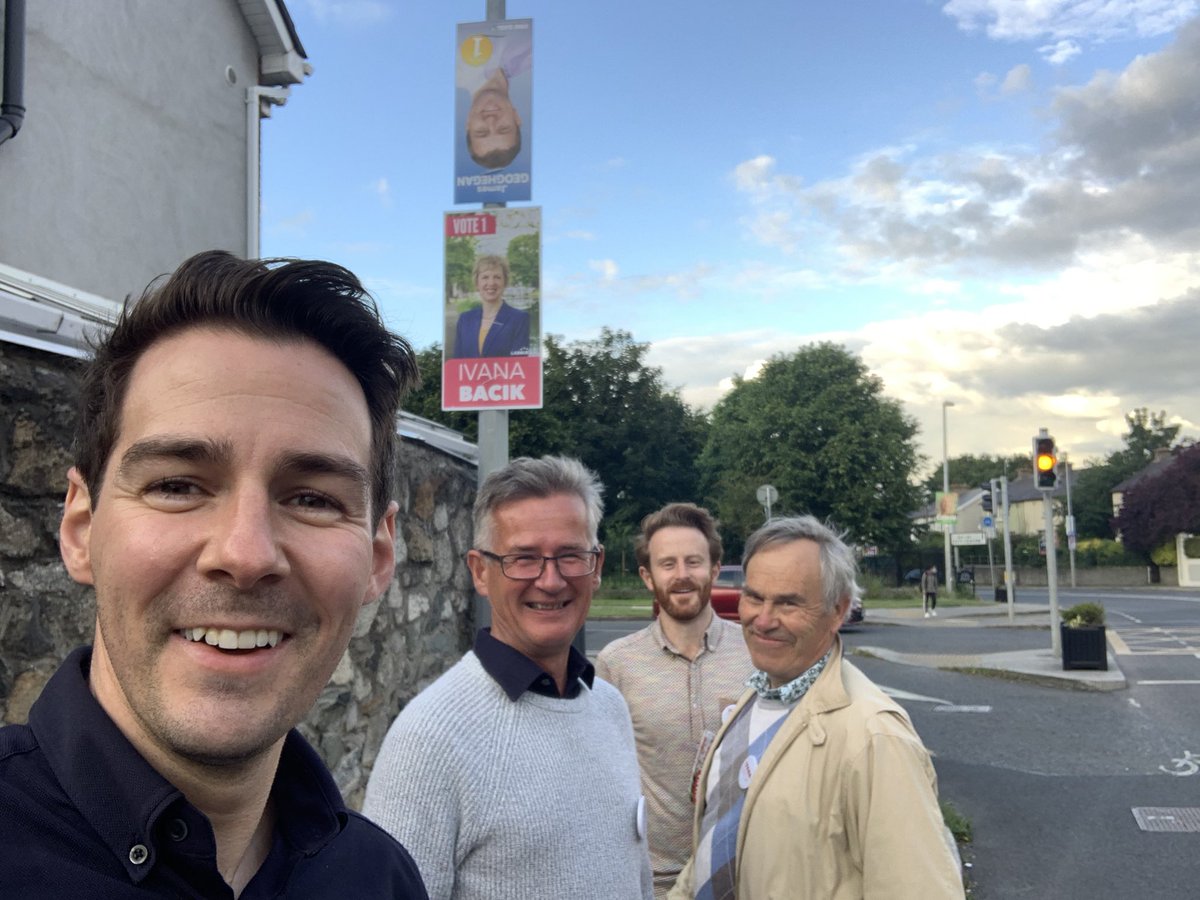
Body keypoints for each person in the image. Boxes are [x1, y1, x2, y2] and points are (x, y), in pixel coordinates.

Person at [0, 251, 428, 898]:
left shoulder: (381, 879)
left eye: (312, 498)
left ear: (376, 558)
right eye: (177, 485)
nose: (246, 553)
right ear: (81, 531)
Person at [364, 456, 653, 900]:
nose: (551, 580)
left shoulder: (609, 707)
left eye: (570, 556)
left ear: (596, 566)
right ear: (481, 571)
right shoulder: (429, 740)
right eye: (524, 558)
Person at [669, 516, 963, 899]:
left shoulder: (875, 738)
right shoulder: (755, 698)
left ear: (838, 611)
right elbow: (718, 840)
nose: (763, 619)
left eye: (788, 603)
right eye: (754, 597)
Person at [595, 503, 753, 899]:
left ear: (715, 570)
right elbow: (602, 778)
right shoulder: (616, 664)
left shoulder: (756, 654)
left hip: (745, 874)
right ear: (648, 576)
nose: (682, 575)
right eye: (667, 564)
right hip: (654, 883)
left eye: (693, 562)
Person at [460, 30, 530, 170]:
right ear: (516, 118)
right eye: (503, 128)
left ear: (468, 123)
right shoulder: (529, 57)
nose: (491, 120)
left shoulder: (457, 67)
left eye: (481, 131)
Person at [451, 255, 531, 359]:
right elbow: (458, 364)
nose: (491, 283)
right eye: (485, 277)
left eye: (497, 277)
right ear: (477, 283)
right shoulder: (465, 320)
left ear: (505, 282)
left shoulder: (520, 319)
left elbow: (520, 364)